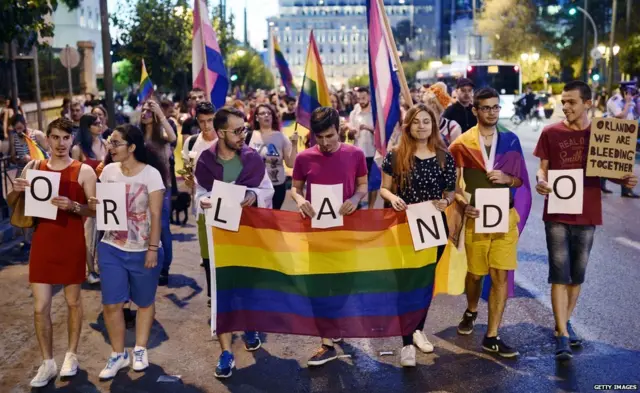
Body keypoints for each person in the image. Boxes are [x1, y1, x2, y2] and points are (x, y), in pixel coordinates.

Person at [533, 81, 638, 360]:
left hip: (587, 212)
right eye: (563, 102)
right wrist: (540, 182)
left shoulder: (602, 133)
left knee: (576, 275)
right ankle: (562, 335)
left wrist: (626, 179)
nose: (565, 107)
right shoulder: (550, 132)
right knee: (559, 273)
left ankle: (563, 321)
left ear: (588, 103)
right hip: (556, 212)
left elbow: (613, 172)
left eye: (571, 102)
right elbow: (541, 171)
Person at [12, 118, 97, 387]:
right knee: (40, 307)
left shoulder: (84, 171)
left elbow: (95, 210)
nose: (61, 143)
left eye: (66, 137)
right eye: (56, 137)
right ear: (47, 139)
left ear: (72, 140)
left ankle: (71, 355)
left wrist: (74, 205)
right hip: (43, 242)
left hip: (71, 242)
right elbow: (13, 203)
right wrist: (15, 191)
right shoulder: (34, 167)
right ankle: (47, 362)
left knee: (73, 303)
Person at [449, 87, 531, 358]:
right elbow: (452, 188)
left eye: (496, 107)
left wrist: (509, 180)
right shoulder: (461, 144)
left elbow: (520, 181)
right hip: (476, 219)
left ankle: (492, 335)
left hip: (505, 218)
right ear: (475, 111)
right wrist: (464, 205)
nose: (493, 112)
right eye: (486, 108)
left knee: (500, 275)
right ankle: (472, 309)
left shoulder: (510, 140)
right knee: (475, 275)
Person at [194, 107, 274, 379]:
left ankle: (250, 324)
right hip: (218, 237)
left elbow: (267, 191)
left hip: (249, 235)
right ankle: (226, 352)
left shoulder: (252, 159)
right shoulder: (204, 161)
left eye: (245, 129)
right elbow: (199, 193)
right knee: (221, 293)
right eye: (237, 130)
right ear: (221, 133)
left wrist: (253, 194)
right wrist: (203, 201)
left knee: (248, 287)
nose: (243, 135)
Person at [379, 104, 456, 367]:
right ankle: (406, 345)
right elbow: (384, 189)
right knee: (407, 284)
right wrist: (393, 198)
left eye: (426, 121)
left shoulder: (445, 157)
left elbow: (450, 192)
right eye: (416, 122)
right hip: (404, 227)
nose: (421, 126)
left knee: (424, 283)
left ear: (433, 125)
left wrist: (446, 202)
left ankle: (417, 328)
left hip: (434, 228)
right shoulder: (395, 155)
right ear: (408, 126)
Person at [291, 106, 368, 367]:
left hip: (347, 231)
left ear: (340, 130)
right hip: (316, 232)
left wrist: (356, 199)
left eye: (330, 136)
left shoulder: (355, 154)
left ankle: (333, 325)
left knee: (344, 284)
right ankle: (326, 342)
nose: (324, 143)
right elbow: (295, 188)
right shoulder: (304, 158)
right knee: (319, 286)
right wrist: (300, 200)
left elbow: (363, 185)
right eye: (319, 137)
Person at [90, 124, 167, 379]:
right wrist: (93, 204)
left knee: (144, 302)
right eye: (109, 143)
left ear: (131, 147)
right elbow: (104, 209)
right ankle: (118, 354)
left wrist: (153, 249)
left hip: (144, 248)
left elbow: (156, 214)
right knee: (112, 303)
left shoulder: (151, 175)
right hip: (111, 246)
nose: (110, 148)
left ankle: (140, 349)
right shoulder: (109, 172)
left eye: (115, 143)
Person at [182, 101, 218, 306]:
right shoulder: (192, 143)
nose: (206, 126)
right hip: (201, 203)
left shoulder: (223, 140)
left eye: (210, 121)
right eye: (202, 121)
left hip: (223, 201)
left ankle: (223, 290)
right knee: (206, 250)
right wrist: (188, 181)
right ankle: (212, 293)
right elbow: (188, 169)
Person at [140, 99, 177, 285]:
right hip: (140, 189)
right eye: (143, 110)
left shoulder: (162, 134)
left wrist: (160, 114)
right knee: (145, 227)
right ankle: (149, 265)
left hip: (162, 187)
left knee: (162, 227)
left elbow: (173, 138)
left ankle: (165, 269)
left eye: (149, 110)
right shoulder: (137, 136)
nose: (145, 113)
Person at [72, 114, 108, 285]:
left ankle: (103, 268)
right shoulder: (78, 149)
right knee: (89, 235)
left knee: (104, 234)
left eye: (100, 123)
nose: (99, 125)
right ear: (87, 127)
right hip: (87, 198)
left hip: (106, 196)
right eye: (95, 124)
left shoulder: (106, 145)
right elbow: (74, 173)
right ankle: (90, 271)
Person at [248, 104, 298, 210]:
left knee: (272, 220)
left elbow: (291, 163)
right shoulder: (249, 136)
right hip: (255, 187)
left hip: (277, 186)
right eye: (262, 113)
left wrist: (294, 145)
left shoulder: (281, 137)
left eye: (269, 113)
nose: (266, 115)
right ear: (256, 118)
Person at [602, 82, 640, 198]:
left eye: (633, 92)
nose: (631, 94)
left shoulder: (631, 101)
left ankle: (625, 189)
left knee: (625, 162)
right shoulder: (615, 100)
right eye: (629, 92)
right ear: (623, 91)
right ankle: (602, 184)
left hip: (627, 135)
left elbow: (635, 116)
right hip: (614, 135)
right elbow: (621, 116)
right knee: (614, 162)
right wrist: (628, 103)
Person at [348, 88, 377, 208]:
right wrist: (351, 131)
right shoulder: (354, 112)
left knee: (373, 181)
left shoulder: (375, 112)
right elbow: (350, 136)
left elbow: (382, 134)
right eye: (359, 98)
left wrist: (368, 128)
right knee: (357, 181)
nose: (361, 101)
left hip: (373, 152)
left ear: (369, 97)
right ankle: (357, 204)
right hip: (358, 152)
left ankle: (371, 207)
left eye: (363, 98)